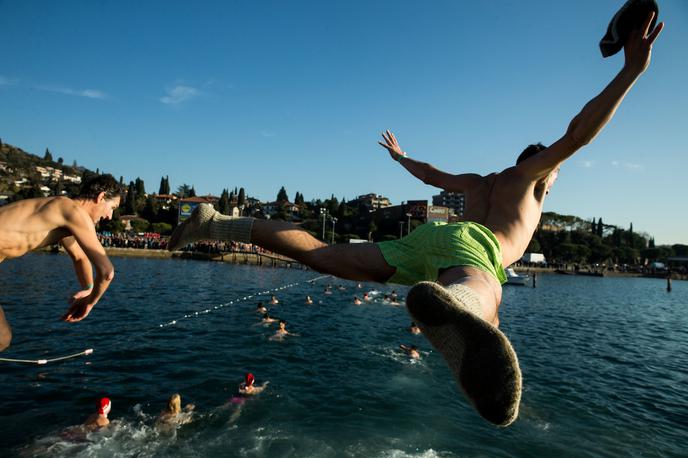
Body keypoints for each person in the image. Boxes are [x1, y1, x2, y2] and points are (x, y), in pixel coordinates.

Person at [167, 14, 663, 426]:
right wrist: (631, 72)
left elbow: (431, 177)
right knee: (483, 290)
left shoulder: (479, 181)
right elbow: (577, 134)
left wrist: (401, 159)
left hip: (430, 239)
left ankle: (213, 222)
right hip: (472, 246)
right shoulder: (532, 175)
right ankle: (461, 309)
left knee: (321, 255)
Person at [0, 174, 122, 352]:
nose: (110, 216)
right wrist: (90, 302)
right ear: (101, 197)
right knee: (2, 337)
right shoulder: (72, 211)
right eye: (112, 208)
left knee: (2, 338)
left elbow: (80, 258)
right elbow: (107, 272)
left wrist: (88, 288)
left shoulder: (63, 213)